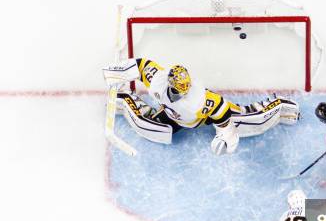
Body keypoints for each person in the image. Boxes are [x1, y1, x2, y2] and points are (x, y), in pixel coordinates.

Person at [102, 58, 300, 155]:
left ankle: (277, 106)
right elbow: (140, 64)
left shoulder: (200, 100)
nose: (183, 92)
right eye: (179, 89)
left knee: (244, 117)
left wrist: (227, 137)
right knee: (149, 124)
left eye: (185, 89)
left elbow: (222, 114)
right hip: (172, 117)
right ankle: (125, 99)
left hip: (202, 117)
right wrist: (119, 72)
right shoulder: (159, 80)